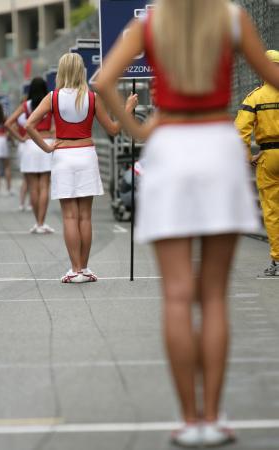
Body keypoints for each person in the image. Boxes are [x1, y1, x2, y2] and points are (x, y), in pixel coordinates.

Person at [96, 0, 279, 447]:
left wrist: (139, 131)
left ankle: (189, 420)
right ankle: (213, 419)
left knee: (177, 295)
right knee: (213, 296)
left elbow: (103, 81)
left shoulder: (153, 23)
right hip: (217, 143)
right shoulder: (231, 19)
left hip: (171, 146)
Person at [25, 53, 137, 283]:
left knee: (69, 216)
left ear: (62, 72)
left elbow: (29, 125)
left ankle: (74, 269)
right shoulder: (92, 97)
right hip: (87, 155)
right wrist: (127, 108)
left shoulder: (52, 97)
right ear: (81, 72)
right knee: (85, 216)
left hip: (63, 156)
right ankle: (84, 269)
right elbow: (115, 130)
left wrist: (47, 148)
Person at [235, 50, 279, 277]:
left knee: (272, 210)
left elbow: (240, 132)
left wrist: (246, 157)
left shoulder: (255, 97)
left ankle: (278, 260)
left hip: (269, 156)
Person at [5, 78, 54, 233]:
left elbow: (8, 123)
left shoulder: (26, 105)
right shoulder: (50, 103)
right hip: (46, 143)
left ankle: (37, 224)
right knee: (45, 185)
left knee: (33, 187)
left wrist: (20, 138)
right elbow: (56, 126)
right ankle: (42, 222)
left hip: (30, 144)